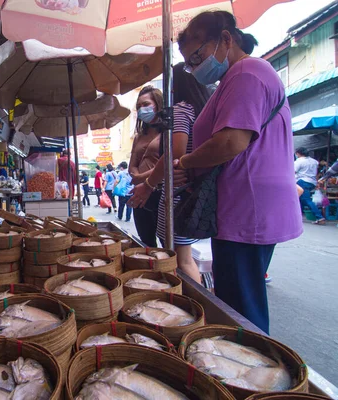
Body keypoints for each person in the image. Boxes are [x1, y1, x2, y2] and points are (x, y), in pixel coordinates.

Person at [173, 10, 302, 333]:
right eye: (189, 63)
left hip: (248, 206)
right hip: (243, 206)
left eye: (197, 56)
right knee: (238, 302)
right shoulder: (236, 78)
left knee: (242, 312)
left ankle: (254, 379)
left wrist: (186, 164)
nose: (193, 68)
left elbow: (231, 142)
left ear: (226, 40)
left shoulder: (247, 73)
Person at [128, 63, 210, 283]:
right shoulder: (200, 109)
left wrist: (149, 184)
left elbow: (175, 153)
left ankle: (193, 301)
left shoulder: (182, 111)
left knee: (180, 259)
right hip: (187, 191)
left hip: (178, 193)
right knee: (180, 256)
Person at [128, 86, 163, 247]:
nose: (142, 109)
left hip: (159, 192)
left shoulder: (169, 133)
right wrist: (136, 177)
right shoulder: (139, 135)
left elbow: (168, 162)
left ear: (158, 104)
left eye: (146, 104)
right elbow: (132, 165)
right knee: (146, 242)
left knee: (167, 243)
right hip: (139, 194)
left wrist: (142, 178)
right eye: (139, 106)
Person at [294, 147, 324, 224]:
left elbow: (293, 171)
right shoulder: (314, 161)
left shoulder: (299, 161)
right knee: (300, 199)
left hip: (302, 181)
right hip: (312, 182)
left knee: (306, 199)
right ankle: (296, 216)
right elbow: (316, 172)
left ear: (298, 153)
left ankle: (319, 217)